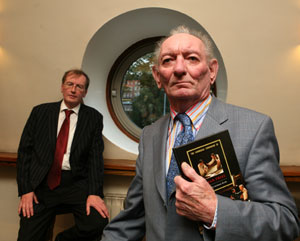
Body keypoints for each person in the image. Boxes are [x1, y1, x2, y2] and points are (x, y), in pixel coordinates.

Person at [101, 26, 300, 241]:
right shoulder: (150, 135)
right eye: (168, 60)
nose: (179, 68)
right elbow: (132, 219)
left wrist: (215, 212)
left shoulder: (254, 128)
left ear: (212, 71)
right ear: (158, 77)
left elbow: (285, 222)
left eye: (192, 58)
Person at [17, 69, 109, 241]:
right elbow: (24, 153)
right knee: (27, 237)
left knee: (98, 222)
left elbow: (95, 158)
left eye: (79, 87)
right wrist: (26, 191)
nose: (74, 90)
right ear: (62, 87)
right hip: (42, 186)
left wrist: (94, 193)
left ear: (85, 92)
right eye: (70, 84)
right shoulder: (40, 112)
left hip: (75, 184)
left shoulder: (94, 118)